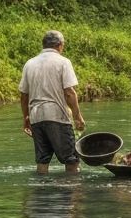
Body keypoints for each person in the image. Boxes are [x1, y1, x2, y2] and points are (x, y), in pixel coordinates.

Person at [18, 30, 87, 173]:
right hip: (57, 116)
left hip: (36, 116)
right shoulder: (63, 62)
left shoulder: (29, 64)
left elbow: (24, 96)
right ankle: (73, 192)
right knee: (71, 160)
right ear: (60, 45)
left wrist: (26, 117)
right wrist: (77, 116)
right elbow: (69, 92)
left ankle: (41, 193)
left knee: (42, 160)